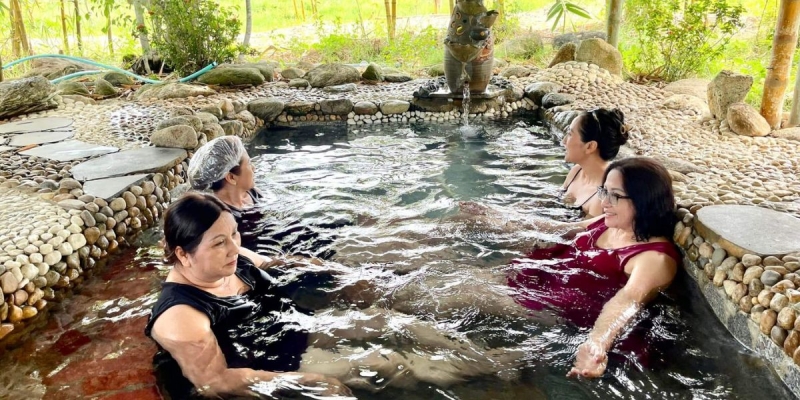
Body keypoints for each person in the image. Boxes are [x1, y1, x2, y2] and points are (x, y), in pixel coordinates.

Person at [146, 193, 520, 398]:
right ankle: (486, 373)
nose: (234, 247)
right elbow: (216, 383)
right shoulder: (181, 317)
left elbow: (276, 262)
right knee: (386, 362)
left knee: (386, 320)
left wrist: (333, 270)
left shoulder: (230, 256)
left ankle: (487, 359)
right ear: (183, 254)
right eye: (219, 243)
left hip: (292, 325)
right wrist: (302, 383)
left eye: (234, 234)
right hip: (278, 360)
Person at [560, 108, 629, 218]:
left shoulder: (604, 197)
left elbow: (584, 229)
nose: (563, 141)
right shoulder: (577, 171)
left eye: (570, 134)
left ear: (590, 146)